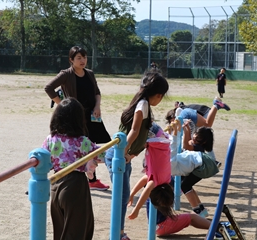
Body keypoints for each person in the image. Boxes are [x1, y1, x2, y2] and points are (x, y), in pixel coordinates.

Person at [104, 71, 169, 240]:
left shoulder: (143, 104)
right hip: (118, 154)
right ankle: (118, 233)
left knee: (123, 195)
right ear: (158, 95)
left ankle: (119, 232)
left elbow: (141, 137)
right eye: (161, 97)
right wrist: (122, 153)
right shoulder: (143, 105)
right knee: (122, 195)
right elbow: (134, 131)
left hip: (124, 156)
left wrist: (128, 156)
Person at [45, 46, 111, 191]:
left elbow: (97, 92)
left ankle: (92, 179)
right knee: (73, 145)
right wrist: (64, 106)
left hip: (91, 115)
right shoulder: (66, 75)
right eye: (79, 58)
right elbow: (48, 88)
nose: (83, 61)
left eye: (84, 57)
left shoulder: (90, 74)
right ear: (71, 60)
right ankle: (53, 176)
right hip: (74, 117)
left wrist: (97, 106)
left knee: (90, 145)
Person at [41, 97, 106, 240]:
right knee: (78, 230)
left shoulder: (50, 140)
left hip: (55, 185)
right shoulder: (81, 141)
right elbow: (102, 155)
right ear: (79, 120)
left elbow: (43, 161)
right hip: (75, 185)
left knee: (60, 230)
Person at [165, 98, 230, 134]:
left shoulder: (180, 112)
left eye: (171, 121)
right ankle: (216, 105)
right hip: (200, 113)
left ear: (172, 117)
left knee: (207, 125)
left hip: (201, 113)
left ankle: (216, 105)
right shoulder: (181, 110)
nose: (171, 123)